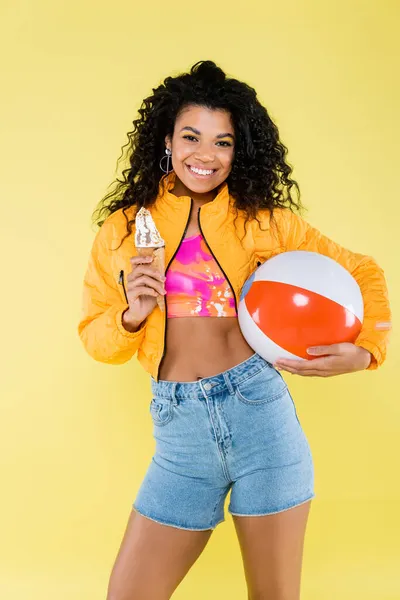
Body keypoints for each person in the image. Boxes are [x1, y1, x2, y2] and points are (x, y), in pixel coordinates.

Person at [78, 60, 391, 600]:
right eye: (191, 137)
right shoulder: (124, 230)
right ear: (167, 141)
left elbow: (363, 270)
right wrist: (131, 316)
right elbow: (94, 337)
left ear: (237, 150)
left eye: (223, 142)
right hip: (180, 433)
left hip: (260, 416)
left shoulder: (264, 221)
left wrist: (367, 350)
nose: (206, 155)